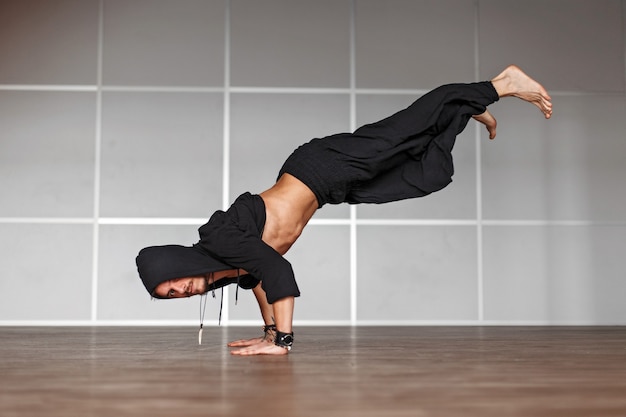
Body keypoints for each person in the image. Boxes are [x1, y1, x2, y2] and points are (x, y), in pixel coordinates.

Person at [136, 65, 553, 356]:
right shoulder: (229, 266)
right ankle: (464, 109)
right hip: (334, 189)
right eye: (171, 297)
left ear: (174, 263)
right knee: (424, 176)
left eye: (172, 283)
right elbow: (263, 283)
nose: (181, 292)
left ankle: (500, 83)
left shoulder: (218, 239)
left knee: (406, 127)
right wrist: (266, 332)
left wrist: (281, 342)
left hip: (319, 167)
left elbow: (279, 272)